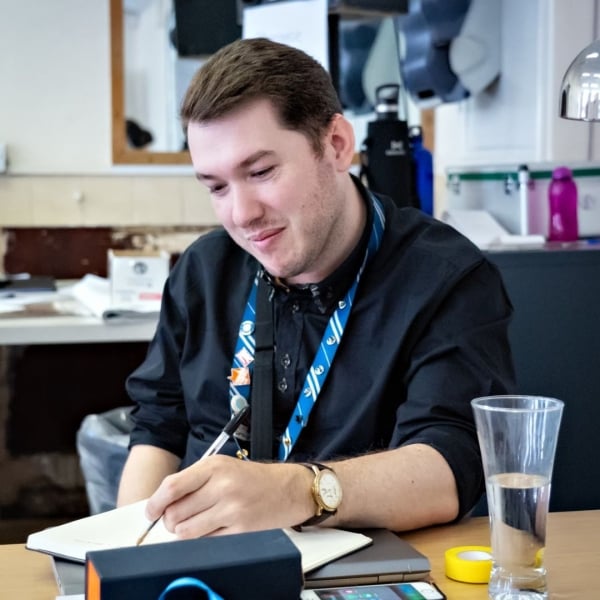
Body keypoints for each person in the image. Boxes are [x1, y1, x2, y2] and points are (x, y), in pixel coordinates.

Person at [117, 38, 515, 538]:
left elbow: (451, 465)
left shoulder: (443, 277)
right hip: (203, 565)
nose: (242, 215)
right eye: (216, 187)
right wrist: (128, 551)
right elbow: (158, 424)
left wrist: (297, 492)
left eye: (261, 172)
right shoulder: (204, 270)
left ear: (337, 145)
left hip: (364, 568)